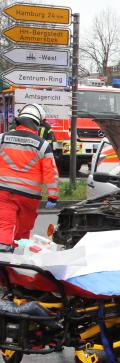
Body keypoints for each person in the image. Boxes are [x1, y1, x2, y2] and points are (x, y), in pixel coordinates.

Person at [0, 104, 59, 252]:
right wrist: (52, 196)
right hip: (29, 196)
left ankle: (2, 252)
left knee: (4, 224)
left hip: (4, 192)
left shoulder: (2, 138)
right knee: (24, 230)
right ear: (37, 123)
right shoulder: (42, 145)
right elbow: (50, 172)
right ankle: (17, 256)